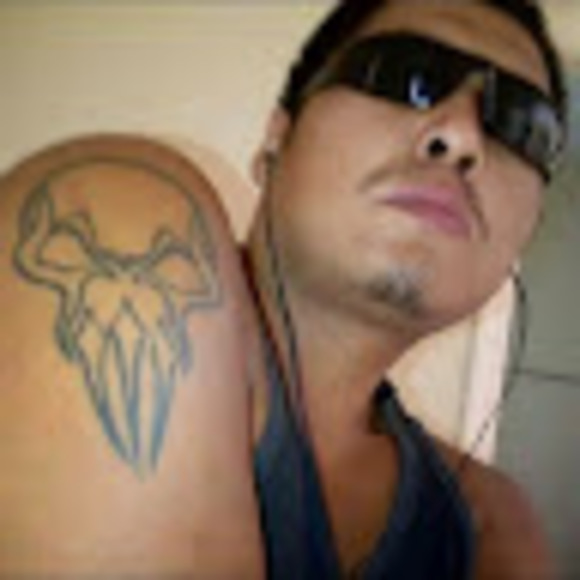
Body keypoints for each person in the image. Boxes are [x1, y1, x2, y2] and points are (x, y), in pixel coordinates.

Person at [0, 0, 567, 578]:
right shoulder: (112, 225)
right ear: (278, 137)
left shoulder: (495, 523)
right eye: (401, 74)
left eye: (521, 125)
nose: (463, 135)